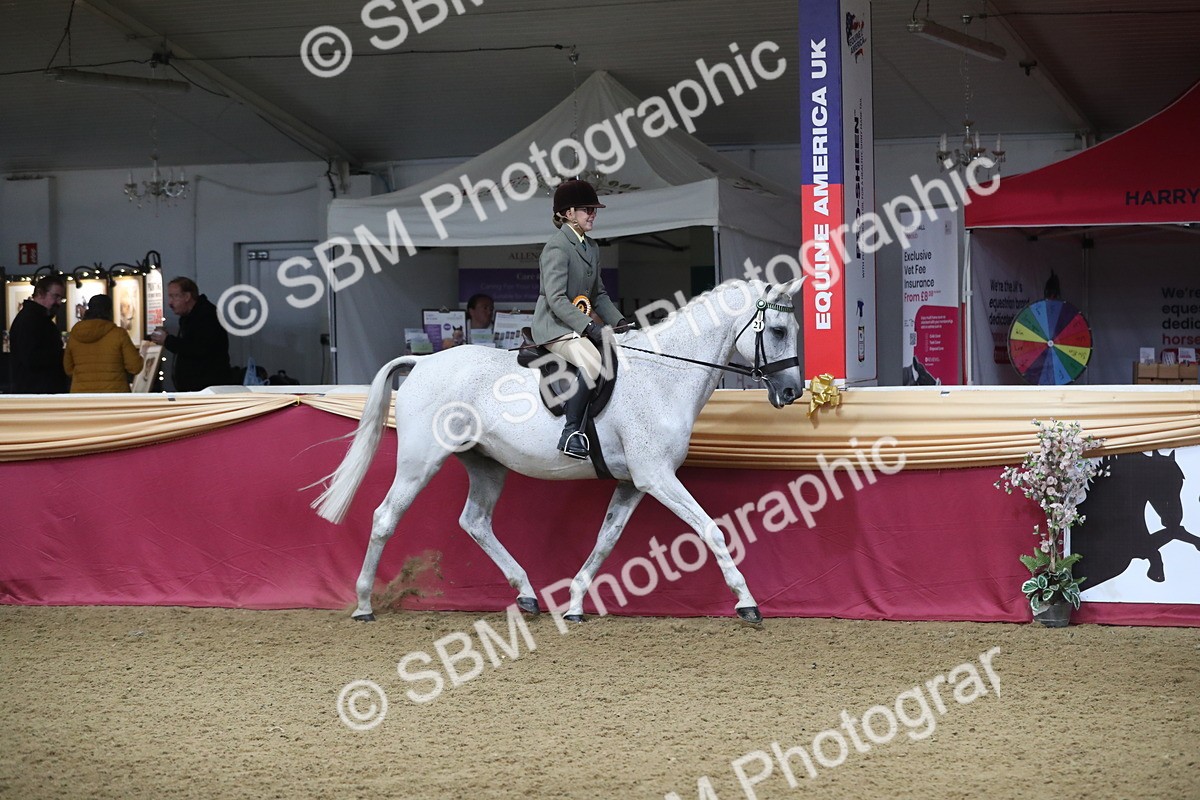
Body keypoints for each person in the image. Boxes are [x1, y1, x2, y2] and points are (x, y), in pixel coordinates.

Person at [531, 179, 625, 459]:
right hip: (554, 326)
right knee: (593, 361)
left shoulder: (591, 247)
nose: (593, 214)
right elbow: (556, 299)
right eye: (587, 209)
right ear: (569, 213)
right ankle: (571, 432)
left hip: (575, 325)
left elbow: (599, 295)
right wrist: (590, 327)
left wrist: (619, 323)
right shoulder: (557, 248)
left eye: (594, 210)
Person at [148, 277, 231, 391]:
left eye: (174, 296)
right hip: (197, 388)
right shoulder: (189, 317)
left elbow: (197, 348)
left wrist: (167, 340)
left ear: (187, 296)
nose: (170, 303)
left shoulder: (206, 315)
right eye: (169, 296)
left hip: (206, 389)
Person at [63, 294, 142, 393]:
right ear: (110, 311)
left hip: (82, 396)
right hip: (114, 396)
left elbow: (68, 369)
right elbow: (135, 367)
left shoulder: (74, 335)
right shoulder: (119, 334)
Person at [9, 275, 68, 393]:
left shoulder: (35, 318)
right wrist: (62, 354)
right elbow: (30, 357)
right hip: (36, 390)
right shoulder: (31, 320)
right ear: (40, 293)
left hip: (36, 388)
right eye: (56, 296)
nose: (59, 302)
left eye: (61, 298)